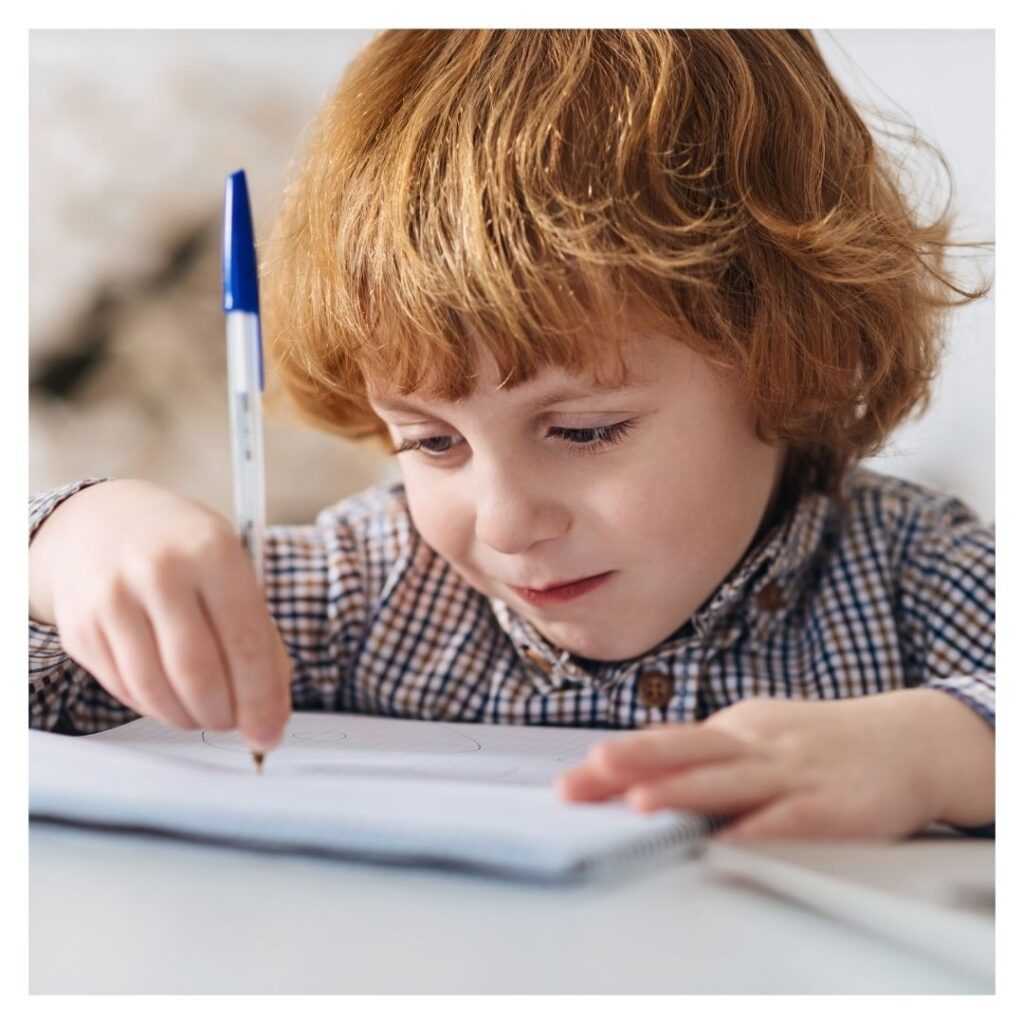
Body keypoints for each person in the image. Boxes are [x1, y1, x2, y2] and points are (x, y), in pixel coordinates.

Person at [28, 30, 994, 840]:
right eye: (434, 443)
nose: (504, 521)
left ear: (799, 356)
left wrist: (941, 751)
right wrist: (64, 546)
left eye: (581, 431)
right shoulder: (372, 591)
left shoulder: (912, 577)